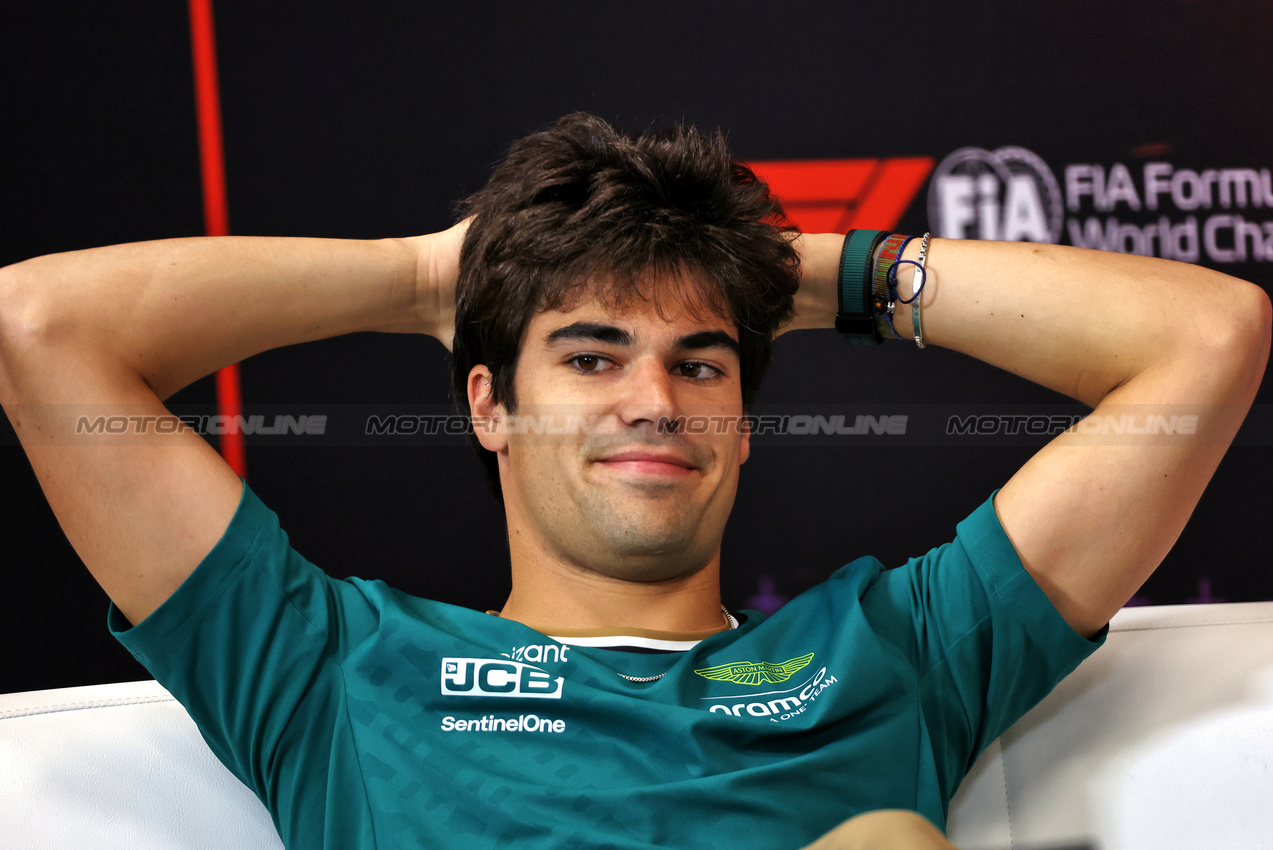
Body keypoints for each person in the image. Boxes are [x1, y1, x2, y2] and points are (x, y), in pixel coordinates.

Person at [0, 112, 1266, 850]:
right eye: (590, 353)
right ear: (487, 404)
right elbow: (41, 330)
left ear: (746, 423)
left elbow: (1205, 343)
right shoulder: (328, 664)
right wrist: (431, 280)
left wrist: (778, 272)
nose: (653, 399)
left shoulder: (898, 651)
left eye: (702, 363)